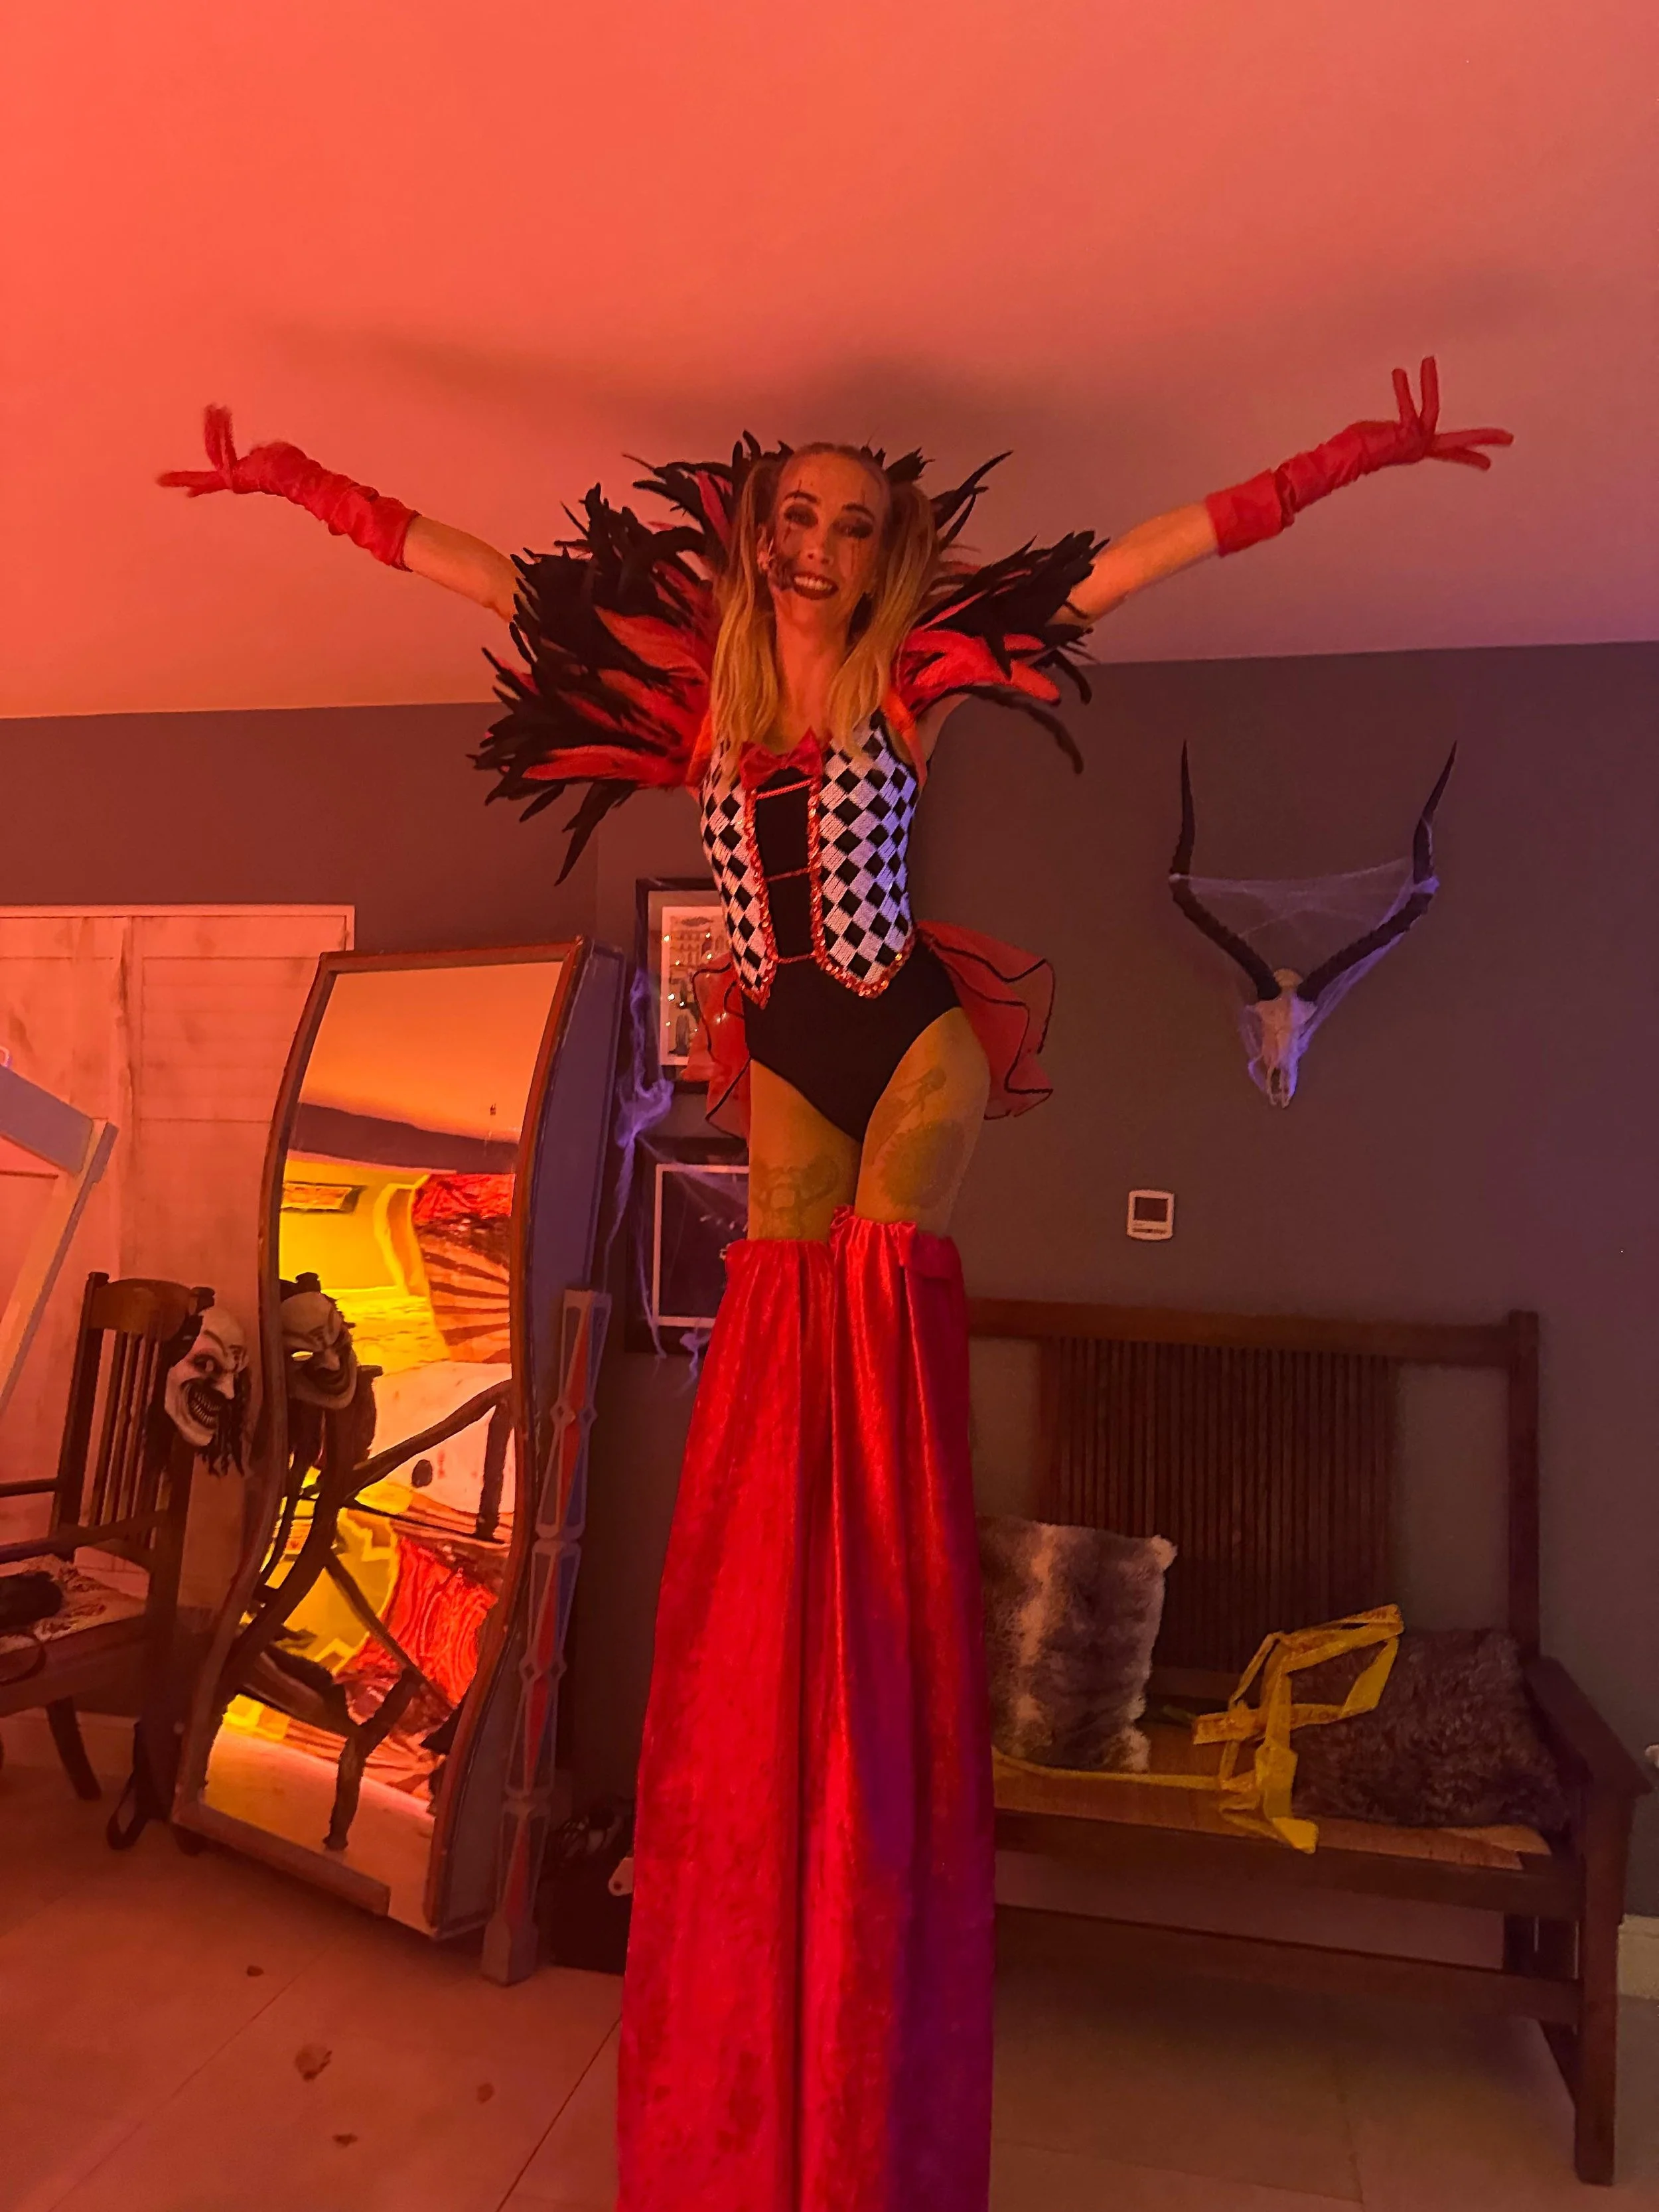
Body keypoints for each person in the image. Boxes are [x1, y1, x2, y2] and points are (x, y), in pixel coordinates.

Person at [161, 363, 1510, 2210]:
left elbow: (1136, 561)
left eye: (850, 522)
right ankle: (785, 1628)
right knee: (780, 1322)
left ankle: (874, 1601)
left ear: (887, 553)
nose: (815, 545)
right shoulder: (690, 694)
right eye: (793, 515)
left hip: (909, 1027)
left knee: (870, 1306)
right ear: (751, 532)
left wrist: (1350, 458)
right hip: (787, 1039)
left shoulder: (904, 684)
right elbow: (482, 576)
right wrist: (300, 481)